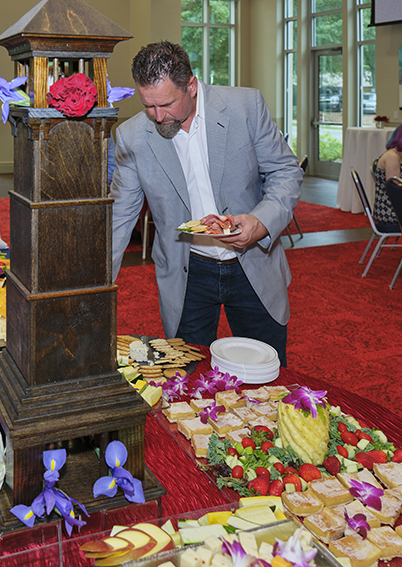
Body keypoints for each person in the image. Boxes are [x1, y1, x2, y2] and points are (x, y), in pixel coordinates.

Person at [111, 41, 302, 365]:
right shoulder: (132, 136)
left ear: (192, 86)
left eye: (167, 104)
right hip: (188, 271)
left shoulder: (245, 106)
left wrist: (261, 222)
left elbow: (286, 172)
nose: (158, 117)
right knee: (188, 377)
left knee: (266, 375)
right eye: (149, 106)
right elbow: (119, 215)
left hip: (252, 262)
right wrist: (92, 286)